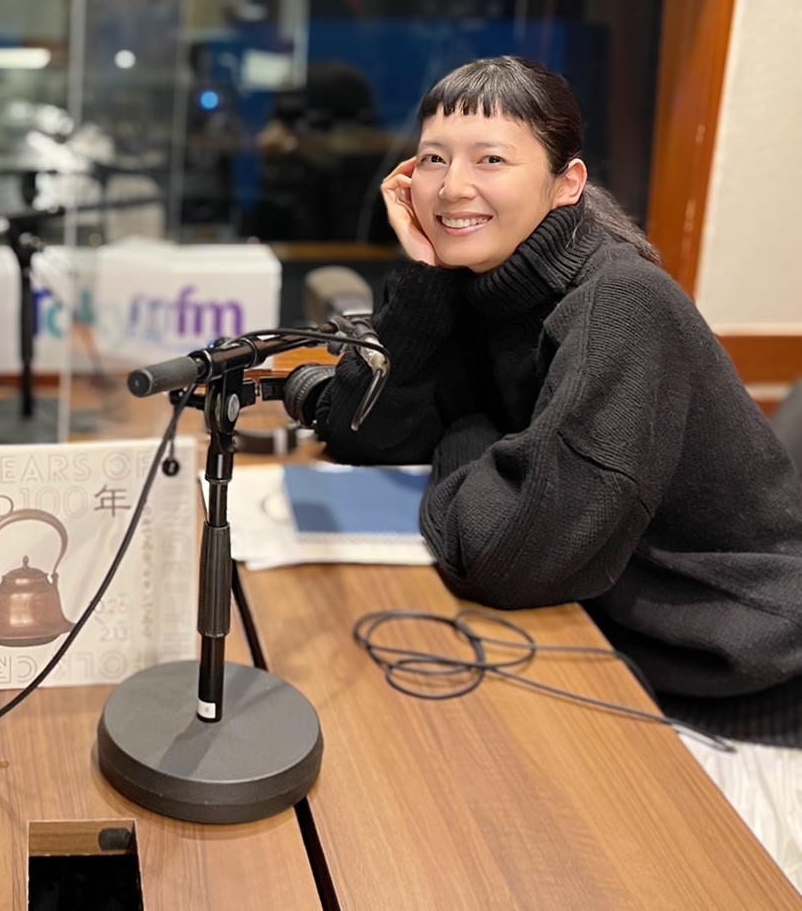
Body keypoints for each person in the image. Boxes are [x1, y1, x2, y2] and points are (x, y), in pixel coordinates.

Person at [315, 55, 802, 885]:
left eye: (491, 159)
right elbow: (364, 436)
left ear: (566, 183)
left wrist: (466, 430)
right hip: (601, 642)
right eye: (433, 158)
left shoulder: (621, 305)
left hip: (735, 693)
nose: (452, 186)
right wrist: (423, 278)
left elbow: (510, 558)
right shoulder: (478, 283)